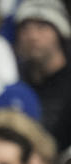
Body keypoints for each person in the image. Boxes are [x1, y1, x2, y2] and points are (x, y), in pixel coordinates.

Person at [14, 0, 71, 150]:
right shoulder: (13, 77)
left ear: (60, 32)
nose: (32, 36)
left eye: (42, 27)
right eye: (25, 28)